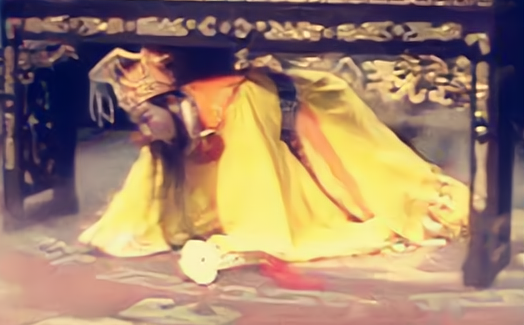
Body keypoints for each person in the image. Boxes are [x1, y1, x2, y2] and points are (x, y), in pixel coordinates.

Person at [79, 47, 469, 264]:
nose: (145, 131)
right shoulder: (164, 133)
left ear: (171, 100)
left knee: (383, 186)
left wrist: (238, 241)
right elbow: (135, 214)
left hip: (310, 120)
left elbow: (259, 200)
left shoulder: (236, 106)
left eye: (147, 117)